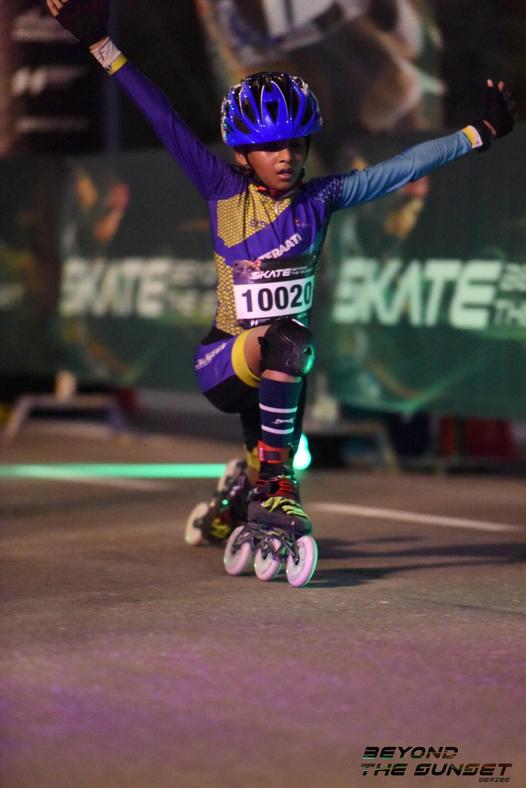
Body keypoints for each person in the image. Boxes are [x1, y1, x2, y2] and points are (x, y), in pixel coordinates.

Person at [47, 0, 516, 546]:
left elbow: (403, 167)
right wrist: (101, 46)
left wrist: (479, 132)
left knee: (281, 388)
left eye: (294, 142)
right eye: (270, 146)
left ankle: (234, 502)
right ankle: (275, 483)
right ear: (244, 154)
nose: (286, 156)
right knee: (288, 345)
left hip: (284, 371)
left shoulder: (322, 198)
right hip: (225, 360)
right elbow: (163, 117)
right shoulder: (223, 190)